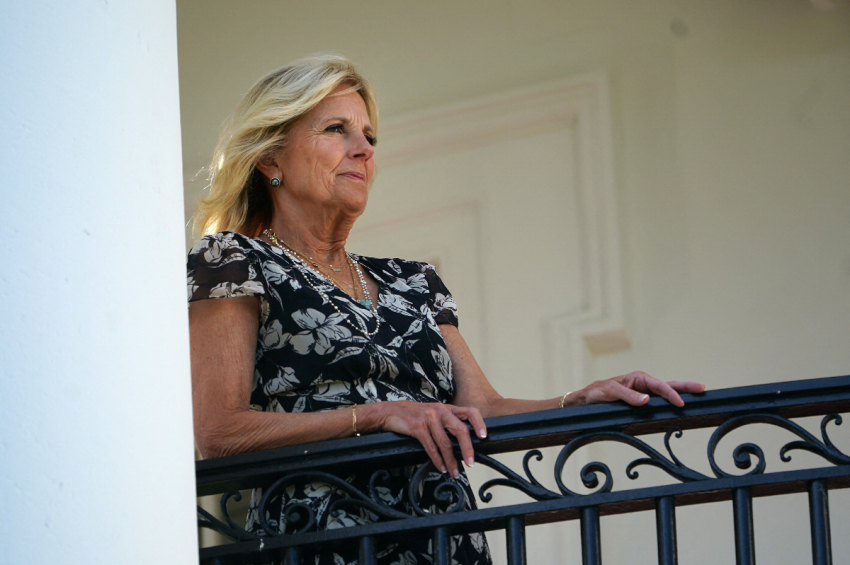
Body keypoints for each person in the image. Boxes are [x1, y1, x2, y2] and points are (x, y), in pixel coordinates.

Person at [187, 54, 705, 565]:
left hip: (440, 537)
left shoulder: (413, 280)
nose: (363, 149)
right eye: (336, 130)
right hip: (319, 541)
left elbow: (483, 410)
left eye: (369, 136)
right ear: (270, 158)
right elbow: (220, 434)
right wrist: (376, 415)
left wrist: (581, 399)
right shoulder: (233, 262)